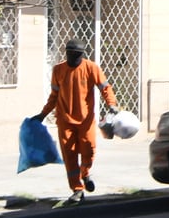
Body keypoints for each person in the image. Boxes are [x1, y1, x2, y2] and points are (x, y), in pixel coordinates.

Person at [32, 39, 119, 205]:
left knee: (89, 149)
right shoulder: (58, 70)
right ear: (66, 53)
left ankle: (85, 173)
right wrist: (43, 114)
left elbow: (105, 88)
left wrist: (112, 105)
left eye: (77, 54)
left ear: (81, 54)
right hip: (65, 121)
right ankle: (77, 189)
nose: (73, 57)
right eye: (71, 54)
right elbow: (54, 96)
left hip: (85, 120)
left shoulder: (91, 68)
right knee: (69, 155)